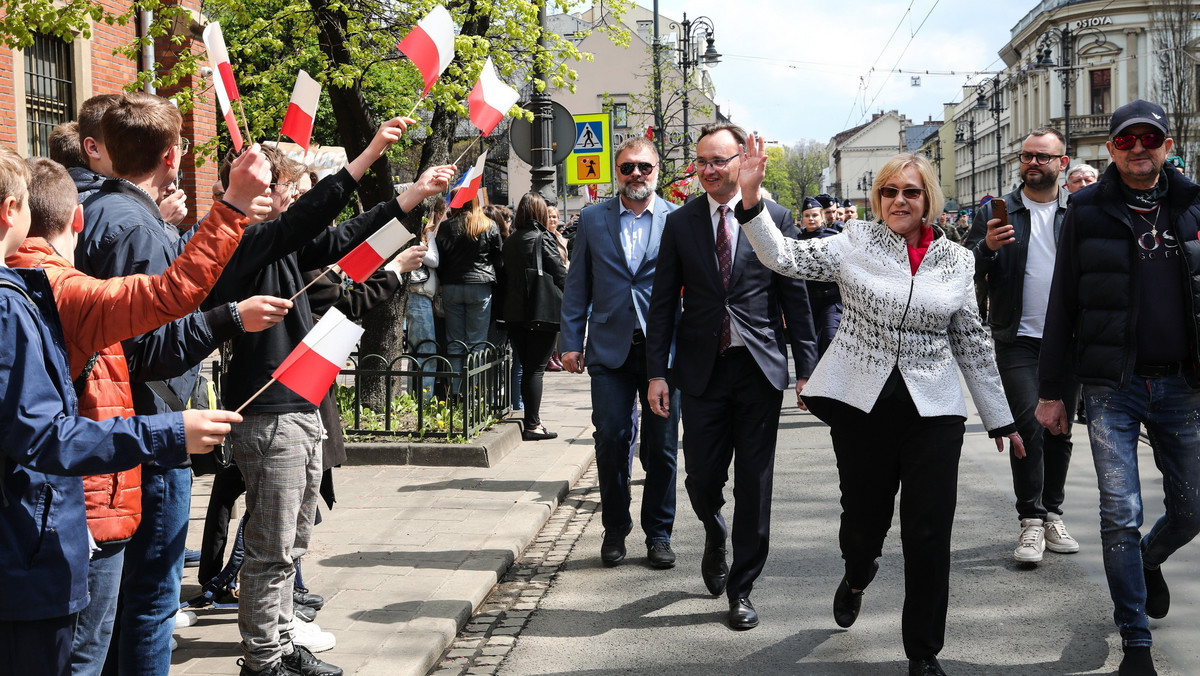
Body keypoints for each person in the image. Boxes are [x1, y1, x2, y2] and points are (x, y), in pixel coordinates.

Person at [737, 140, 1021, 676]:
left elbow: (972, 339)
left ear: (928, 199)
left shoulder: (957, 260)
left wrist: (1000, 416)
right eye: (889, 191)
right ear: (876, 199)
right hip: (862, 405)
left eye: (910, 192)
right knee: (865, 521)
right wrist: (751, 196)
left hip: (933, 408)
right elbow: (782, 256)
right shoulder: (854, 243)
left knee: (930, 530)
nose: (899, 200)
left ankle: (923, 652)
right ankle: (857, 572)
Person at [202, 115, 454, 676]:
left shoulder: (280, 242)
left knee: (291, 542)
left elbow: (344, 235)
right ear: (253, 191)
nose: (296, 195)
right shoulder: (241, 239)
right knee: (269, 550)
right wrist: (365, 157)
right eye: (287, 186)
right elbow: (316, 220)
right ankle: (263, 661)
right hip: (269, 414)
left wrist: (411, 195)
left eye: (294, 187)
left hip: (300, 405)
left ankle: (281, 639)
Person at [9, 152, 272, 675]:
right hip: (75, 505)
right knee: (84, 654)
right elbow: (167, 294)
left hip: (62, 507)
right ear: (77, 219)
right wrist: (234, 205)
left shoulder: (29, 284)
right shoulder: (50, 287)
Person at [72, 92, 276, 676]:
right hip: (149, 430)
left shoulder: (112, 213)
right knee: (149, 603)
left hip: (125, 428)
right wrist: (229, 318)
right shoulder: (135, 226)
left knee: (119, 605)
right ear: (171, 155)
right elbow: (152, 347)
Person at [1036, 99, 1200, 676]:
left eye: (1149, 139)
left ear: (1167, 144)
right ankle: (1136, 642)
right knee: (1119, 512)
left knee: (1192, 509)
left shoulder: (1193, 204)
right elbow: (1062, 305)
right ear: (1111, 149)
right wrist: (1052, 391)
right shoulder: (1084, 210)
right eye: (1127, 140)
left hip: (1183, 384)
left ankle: (1149, 561)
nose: (1138, 148)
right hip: (1113, 386)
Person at [646, 121, 818, 631]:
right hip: (701, 370)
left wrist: (806, 369)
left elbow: (796, 298)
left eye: (718, 160)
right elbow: (661, 307)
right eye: (701, 161)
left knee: (755, 482)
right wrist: (657, 372)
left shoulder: (776, 217)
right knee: (699, 477)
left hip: (758, 368)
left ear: (742, 162)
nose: (708, 170)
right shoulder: (680, 224)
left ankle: (742, 587)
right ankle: (713, 529)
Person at [560, 136, 681, 568]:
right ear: (617, 171)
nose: (636, 175)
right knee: (611, 439)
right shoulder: (593, 219)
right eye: (627, 167)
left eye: (644, 167)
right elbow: (577, 287)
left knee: (662, 447)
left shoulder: (677, 219)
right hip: (609, 349)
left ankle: (659, 534)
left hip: (662, 351)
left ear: (656, 171)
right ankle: (615, 528)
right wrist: (571, 340)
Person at [964, 128, 1081, 565]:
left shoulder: (1079, 211)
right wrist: (987, 248)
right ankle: (1031, 522)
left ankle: (1053, 513)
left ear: (1062, 163)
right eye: (1027, 156)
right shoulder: (1000, 211)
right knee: (1027, 425)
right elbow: (963, 265)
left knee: (1060, 428)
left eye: (1043, 157)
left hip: (1068, 341)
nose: (1034, 163)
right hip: (1016, 337)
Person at [501, 192, 567, 441]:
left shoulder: (511, 239)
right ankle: (533, 424)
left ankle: (531, 421)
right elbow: (559, 274)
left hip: (514, 312)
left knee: (527, 367)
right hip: (541, 312)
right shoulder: (543, 237)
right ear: (539, 213)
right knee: (535, 369)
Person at [435, 194, 503, 395]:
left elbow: (440, 259)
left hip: (452, 286)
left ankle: (456, 392)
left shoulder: (447, 227)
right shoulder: (488, 225)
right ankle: (475, 392)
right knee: (477, 342)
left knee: (455, 342)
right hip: (480, 286)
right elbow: (498, 259)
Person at [407, 198, 446, 400]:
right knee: (426, 350)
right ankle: (424, 400)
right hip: (419, 296)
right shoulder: (421, 236)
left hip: (420, 297)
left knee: (417, 351)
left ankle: (415, 397)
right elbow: (434, 260)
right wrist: (430, 234)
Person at [797, 195, 844, 357]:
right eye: (807, 215)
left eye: (815, 215)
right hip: (808, 302)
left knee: (831, 338)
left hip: (831, 300)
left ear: (822, 217)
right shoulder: (797, 241)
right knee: (812, 345)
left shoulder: (833, 238)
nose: (811, 219)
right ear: (802, 218)